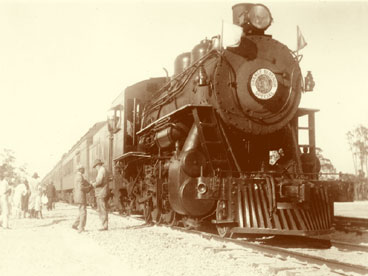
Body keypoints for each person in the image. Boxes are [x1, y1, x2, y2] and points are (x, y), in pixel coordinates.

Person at [72, 165, 92, 233]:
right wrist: (89, 188)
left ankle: (75, 224)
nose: (84, 170)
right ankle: (81, 228)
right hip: (81, 196)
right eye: (83, 169)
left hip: (78, 196)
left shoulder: (77, 176)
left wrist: (89, 185)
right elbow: (81, 187)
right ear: (80, 169)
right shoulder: (80, 177)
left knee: (81, 211)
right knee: (83, 212)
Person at [91, 159, 109, 231]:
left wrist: (93, 184)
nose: (95, 168)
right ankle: (104, 225)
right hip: (103, 191)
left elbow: (99, 181)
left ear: (98, 165)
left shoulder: (101, 170)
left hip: (101, 192)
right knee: (102, 208)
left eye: (95, 167)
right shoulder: (104, 170)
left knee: (102, 209)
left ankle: (104, 226)